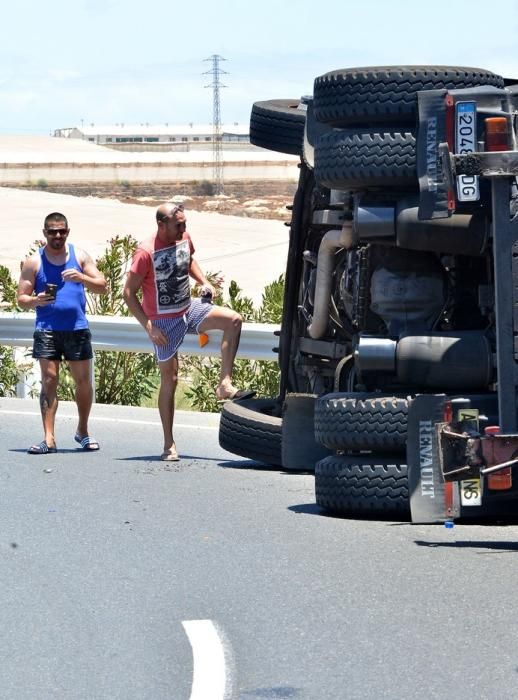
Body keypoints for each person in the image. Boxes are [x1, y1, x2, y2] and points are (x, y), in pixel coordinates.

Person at [123, 202, 254, 462]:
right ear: (161, 225)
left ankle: (224, 385)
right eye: (178, 225)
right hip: (163, 323)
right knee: (170, 380)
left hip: (188, 309)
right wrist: (149, 326)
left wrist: (203, 281)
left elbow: (189, 259)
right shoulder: (145, 252)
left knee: (234, 320)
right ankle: (168, 443)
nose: (183, 229)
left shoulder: (183, 237)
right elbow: (128, 294)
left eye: (185, 224)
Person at [17, 212, 107, 454]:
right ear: (44, 233)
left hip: (76, 329)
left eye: (62, 231)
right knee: (49, 380)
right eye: (52, 231)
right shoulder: (34, 262)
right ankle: (49, 438)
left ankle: (83, 431)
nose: (57, 235)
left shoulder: (79, 256)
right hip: (47, 330)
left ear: (68, 231)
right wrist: (36, 299)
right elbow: (21, 299)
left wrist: (81, 277)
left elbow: (103, 286)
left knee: (83, 383)